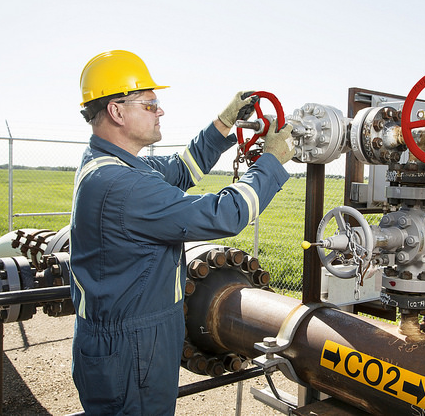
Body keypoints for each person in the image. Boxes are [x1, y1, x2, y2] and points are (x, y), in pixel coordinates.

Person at [69, 49, 294, 415]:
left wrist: (223, 124)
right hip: (132, 349)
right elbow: (226, 215)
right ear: (116, 111)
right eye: (149, 103)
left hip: (132, 338)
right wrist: (270, 162)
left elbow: (181, 167)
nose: (160, 111)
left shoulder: (112, 164)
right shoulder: (121, 185)